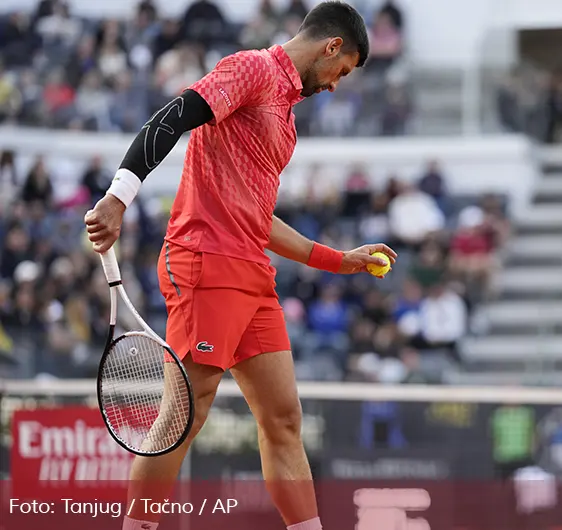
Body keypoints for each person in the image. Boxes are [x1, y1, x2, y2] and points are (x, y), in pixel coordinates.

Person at [82, 4, 397, 530]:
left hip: (252, 275)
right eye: (341, 73)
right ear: (331, 46)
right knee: (186, 413)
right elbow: (174, 115)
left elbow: (258, 217)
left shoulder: (287, 121)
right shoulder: (253, 69)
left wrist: (338, 260)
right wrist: (119, 196)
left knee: (284, 419)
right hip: (206, 260)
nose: (336, 85)